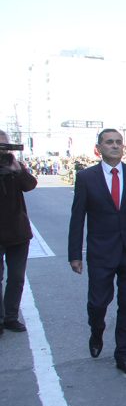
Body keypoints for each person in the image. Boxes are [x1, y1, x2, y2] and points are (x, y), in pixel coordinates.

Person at [68, 129, 126, 376]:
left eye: (119, 142)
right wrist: (74, 254)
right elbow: (77, 218)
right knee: (98, 303)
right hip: (101, 252)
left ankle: (123, 356)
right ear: (99, 147)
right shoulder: (86, 177)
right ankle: (96, 331)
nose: (115, 146)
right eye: (109, 142)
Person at [0, 131, 37, 335]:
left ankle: (11, 317)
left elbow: (30, 185)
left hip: (18, 233)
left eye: (5, 145)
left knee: (16, 277)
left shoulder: (13, 165)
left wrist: (17, 169)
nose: (2, 149)